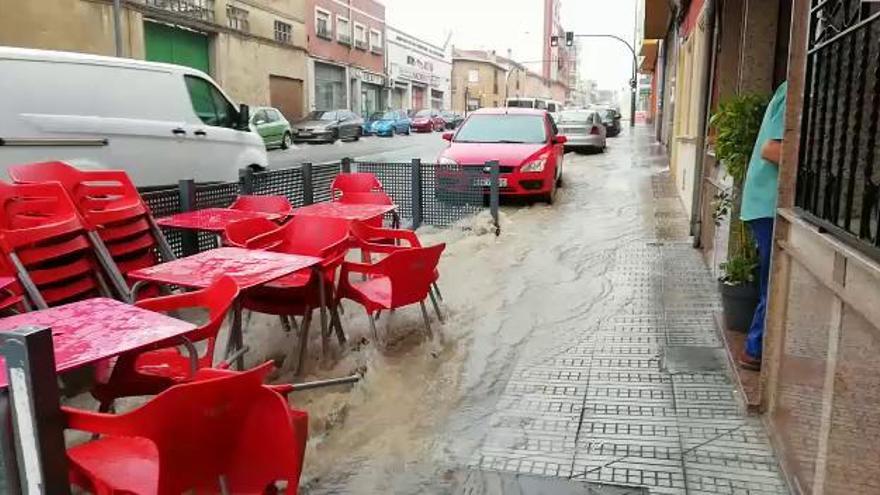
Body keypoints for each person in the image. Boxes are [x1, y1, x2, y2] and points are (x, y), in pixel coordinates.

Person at [738, 81, 788, 371]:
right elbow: (771, 149)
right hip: (768, 205)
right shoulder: (795, 89)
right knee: (775, 281)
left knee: (773, 280)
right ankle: (754, 349)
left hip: (765, 205)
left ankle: (756, 348)